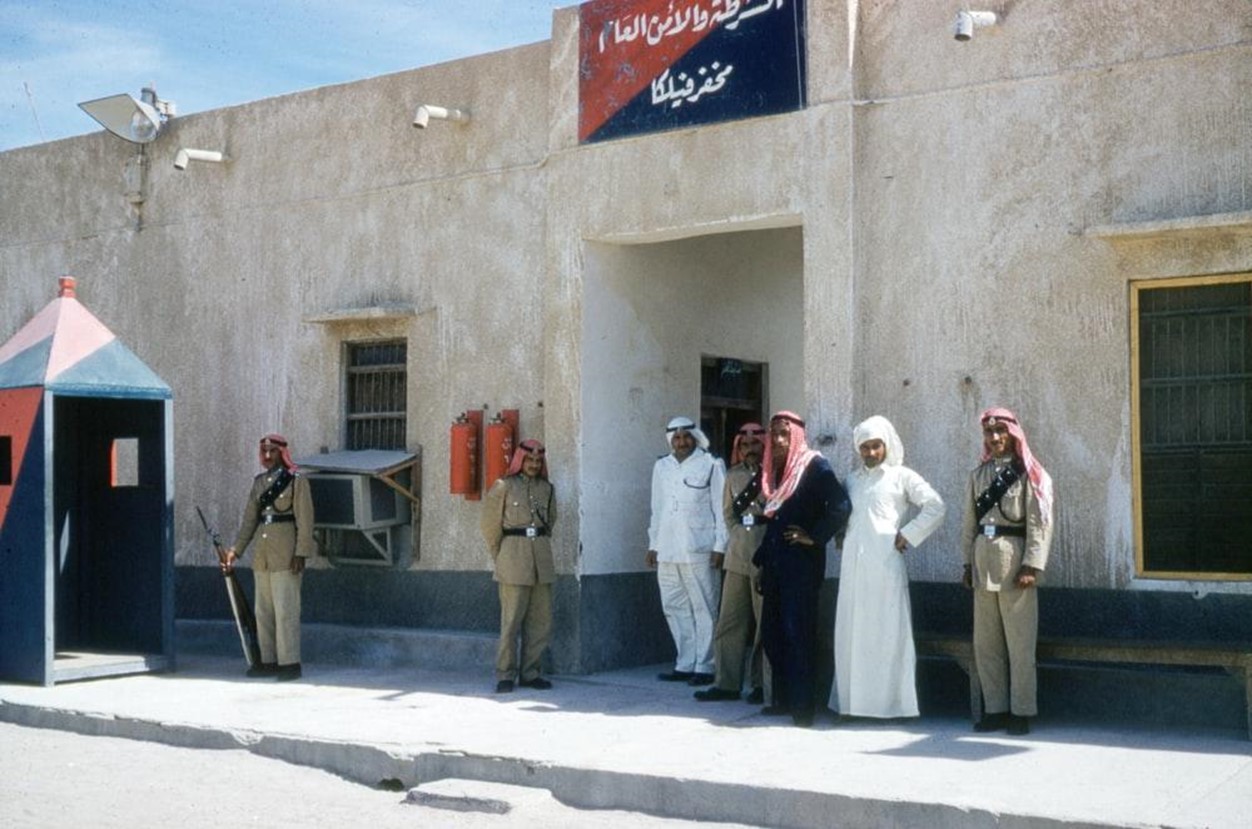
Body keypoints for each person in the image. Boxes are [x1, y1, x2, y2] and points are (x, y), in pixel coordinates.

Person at [830, 415, 945, 720]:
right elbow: (844, 514)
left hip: (885, 566)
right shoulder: (852, 480)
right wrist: (840, 533)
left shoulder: (901, 476)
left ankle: (888, 707)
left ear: (886, 445)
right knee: (853, 633)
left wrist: (909, 534)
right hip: (854, 568)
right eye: (865, 447)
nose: (870, 452)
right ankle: (851, 706)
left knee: (886, 634)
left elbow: (936, 506)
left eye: (876, 446)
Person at [751, 411, 851, 727]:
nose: (779, 440)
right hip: (775, 564)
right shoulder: (775, 471)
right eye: (774, 433)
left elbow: (840, 506)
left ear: (796, 435)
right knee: (773, 635)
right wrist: (762, 562)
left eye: (784, 433)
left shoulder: (814, 466)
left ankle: (803, 708)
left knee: (798, 635)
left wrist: (814, 537)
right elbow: (774, 521)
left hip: (801, 566)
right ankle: (783, 700)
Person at [961, 407, 1055, 735]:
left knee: (1020, 645)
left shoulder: (1028, 474)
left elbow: (1039, 523)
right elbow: (969, 524)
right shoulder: (977, 475)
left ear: (1013, 434)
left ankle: (1021, 711)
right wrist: (967, 563)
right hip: (983, 563)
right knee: (986, 645)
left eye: (1001, 431)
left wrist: (1032, 564)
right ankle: (996, 709)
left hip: (1015, 564)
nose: (995, 437)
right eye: (989, 432)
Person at [222, 434, 315, 681]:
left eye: (272, 451)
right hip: (262, 556)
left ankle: (290, 663)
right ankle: (268, 661)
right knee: (263, 611)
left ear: (282, 453)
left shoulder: (296, 480)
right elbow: (250, 521)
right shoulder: (259, 482)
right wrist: (236, 551)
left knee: (286, 610)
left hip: (286, 554)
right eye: (263, 451)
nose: (267, 456)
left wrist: (301, 552)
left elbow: (305, 520)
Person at [646, 416, 728, 686]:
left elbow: (721, 509)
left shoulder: (711, 464)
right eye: (677, 438)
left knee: (704, 606)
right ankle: (685, 663)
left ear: (695, 438)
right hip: (667, 548)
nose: (682, 442)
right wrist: (653, 544)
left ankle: (705, 666)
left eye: (686, 437)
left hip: (699, 548)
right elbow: (657, 508)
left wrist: (720, 546)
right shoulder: (662, 466)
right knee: (674, 605)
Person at [695, 422, 769, 703]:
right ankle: (726, 683)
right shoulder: (733, 475)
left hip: (765, 550)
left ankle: (762, 684)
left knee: (764, 622)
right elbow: (728, 513)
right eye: (745, 445)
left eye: (755, 444)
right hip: (737, 553)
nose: (750, 449)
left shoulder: (774, 474)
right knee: (730, 620)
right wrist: (737, 534)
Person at [480, 438, 557, 694]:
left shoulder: (547, 489)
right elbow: (490, 526)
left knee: (540, 623)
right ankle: (505, 674)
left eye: (538, 460)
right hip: (513, 559)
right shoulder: (503, 486)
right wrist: (501, 556)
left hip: (541, 562)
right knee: (511, 622)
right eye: (529, 460)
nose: (534, 464)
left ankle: (530, 673)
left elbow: (551, 521)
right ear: (519, 461)